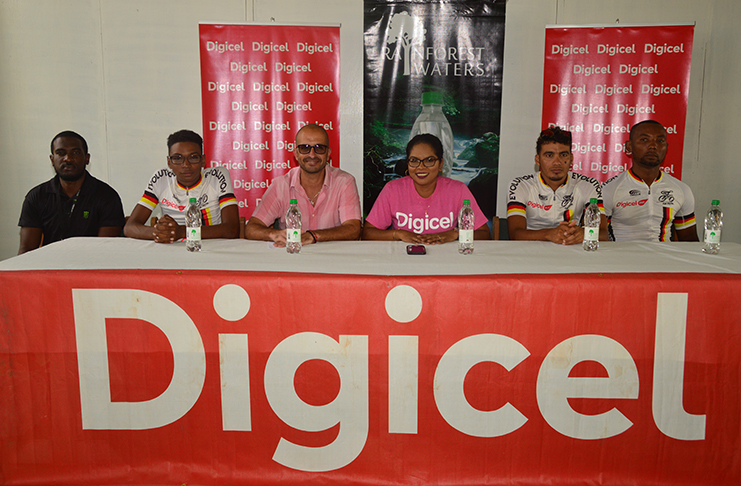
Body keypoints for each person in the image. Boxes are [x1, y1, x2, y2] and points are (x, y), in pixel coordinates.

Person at [244, 124, 361, 245]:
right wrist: (275, 234)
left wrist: (314, 236)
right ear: (296, 153)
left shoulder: (344, 182)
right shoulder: (280, 185)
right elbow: (251, 228)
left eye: (319, 148)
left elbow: (353, 229)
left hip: (332, 259)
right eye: (305, 148)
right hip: (292, 259)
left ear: (328, 153)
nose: (312, 155)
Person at [363, 133, 490, 244]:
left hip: (447, 261)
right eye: (414, 160)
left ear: (440, 164)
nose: (421, 167)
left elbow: (484, 233)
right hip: (403, 261)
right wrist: (399, 234)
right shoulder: (393, 189)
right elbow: (368, 233)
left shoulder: (458, 190)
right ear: (407, 163)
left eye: (429, 160)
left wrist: (456, 235)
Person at [18, 130, 125, 254]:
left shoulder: (107, 196)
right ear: (52, 160)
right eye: (61, 153)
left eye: (75, 152)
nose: (68, 159)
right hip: (50, 267)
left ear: (87, 158)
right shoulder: (37, 197)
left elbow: (105, 251)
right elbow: (26, 251)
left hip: (91, 267)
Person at [124, 129, 239, 242]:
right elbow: (129, 227)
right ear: (169, 162)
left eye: (193, 157)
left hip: (211, 246)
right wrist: (161, 233)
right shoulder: (161, 178)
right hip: (172, 247)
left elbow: (232, 229)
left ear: (203, 160)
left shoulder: (217, 177)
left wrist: (182, 232)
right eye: (177, 158)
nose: (186, 165)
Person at [507, 126, 607, 245]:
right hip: (532, 251)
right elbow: (515, 234)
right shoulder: (520, 185)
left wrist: (584, 233)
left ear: (571, 158)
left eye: (563, 155)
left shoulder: (588, 185)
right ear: (538, 160)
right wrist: (549, 234)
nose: (557, 162)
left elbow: (603, 234)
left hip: (572, 251)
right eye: (549, 155)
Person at [602, 120, 698, 242]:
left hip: (665, 258)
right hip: (624, 258)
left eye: (660, 141)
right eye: (644, 140)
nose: (653, 146)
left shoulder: (681, 190)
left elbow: (690, 240)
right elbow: (599, 236)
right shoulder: (610, 189)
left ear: (666, 148)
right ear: (629, 146)